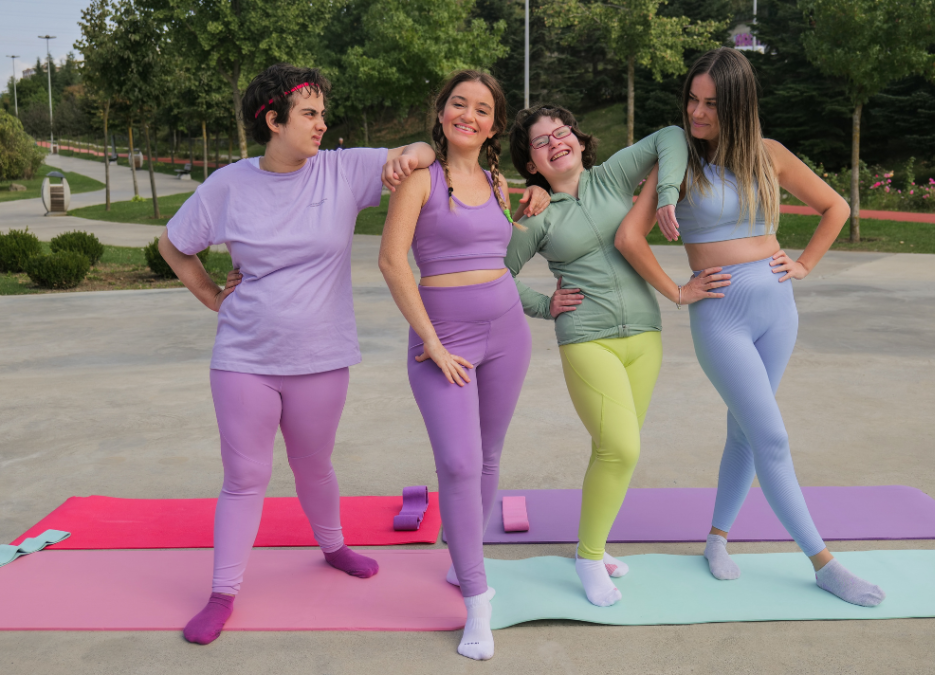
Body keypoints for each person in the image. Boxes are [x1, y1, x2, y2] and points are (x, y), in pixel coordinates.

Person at [159, 63, 437, 645]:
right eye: (309, 114)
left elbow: (426, 150)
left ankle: (333, 547)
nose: (321, 123)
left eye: (321, 113)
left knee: (314, 464)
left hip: (321, 355)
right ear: (273, 120)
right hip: (243, 356)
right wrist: (213, 296)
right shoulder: (229, 184)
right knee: (245, 477)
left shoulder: (342, 170)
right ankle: (222, 592)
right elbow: (173, 244)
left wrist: (409, 153)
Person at [614, 47, 884, 607]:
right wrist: (678, 291)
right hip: (722, 317)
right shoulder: (677, 161)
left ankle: (716, 540)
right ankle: (823, 563)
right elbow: (628, 237)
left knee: (744, 430)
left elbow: (836, 208)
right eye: (692, 98)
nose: (697, 112)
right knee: (772, 437)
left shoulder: (769, 155)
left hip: (779, 310)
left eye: (711, 103)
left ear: (738, 105)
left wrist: (805, 264)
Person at [504, 105, 720, 608]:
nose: (556, 142)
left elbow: (670, 134)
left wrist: (665, 193)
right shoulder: (537, 215)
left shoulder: (612, 176)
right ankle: (587, 555)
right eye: (542, 142)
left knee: (615, 454)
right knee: (620, 448)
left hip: (645, 335)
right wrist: (544, 305)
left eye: (562, 132)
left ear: (578, 141)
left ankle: (595, 550)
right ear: (532, 164)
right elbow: (494, 274)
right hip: (586, 338)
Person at [378, 70, 550, 661]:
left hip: (506, 331)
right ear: (443, 111)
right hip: (440, 340)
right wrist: (431, 339)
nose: (468, 116)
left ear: (494, 125)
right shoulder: (420, 178)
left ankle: (464, 560)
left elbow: (506, 243)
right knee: (457, 461)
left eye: (482, 109)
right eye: (458, 104)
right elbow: (392, 262)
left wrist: (542, 195)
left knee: (489, 456)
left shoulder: (501, 182)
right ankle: (477, 601)